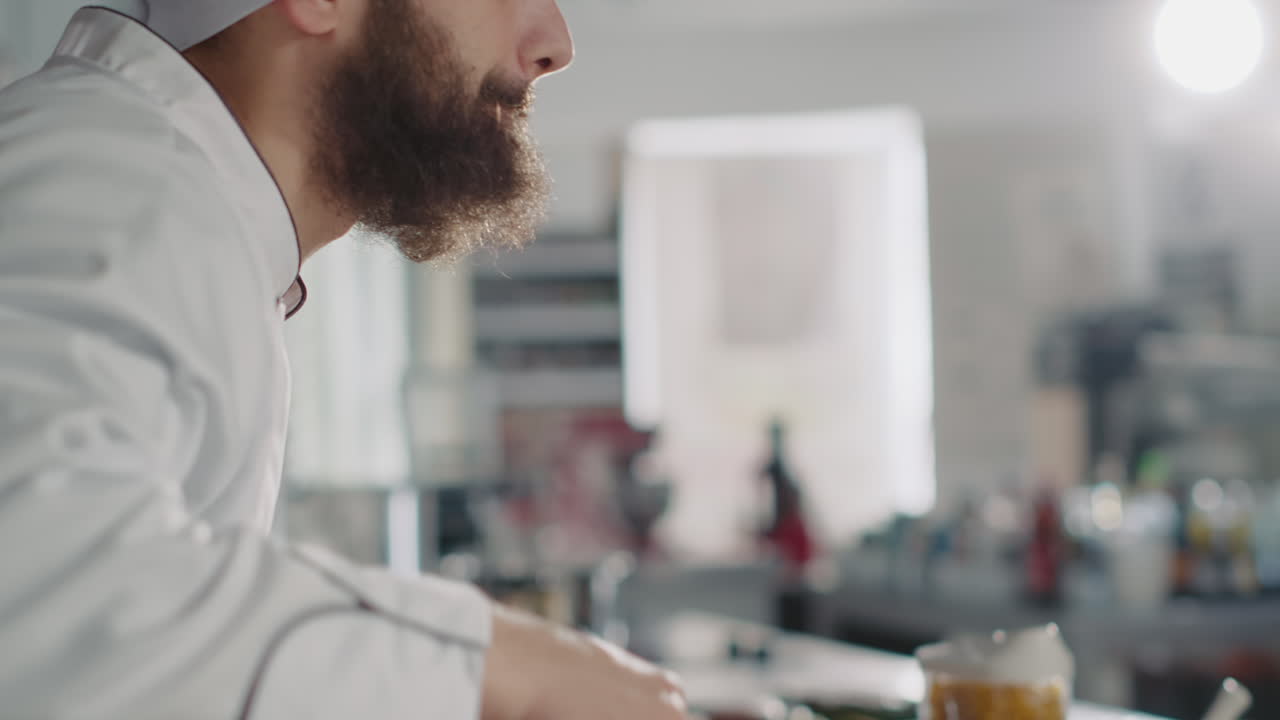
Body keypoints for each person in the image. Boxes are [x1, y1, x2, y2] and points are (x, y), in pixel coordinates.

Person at [0, 1, 687, 718]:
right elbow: (38, 583)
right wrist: (508, 667)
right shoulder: (112, 187)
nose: (555, 44)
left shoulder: (188, 211)